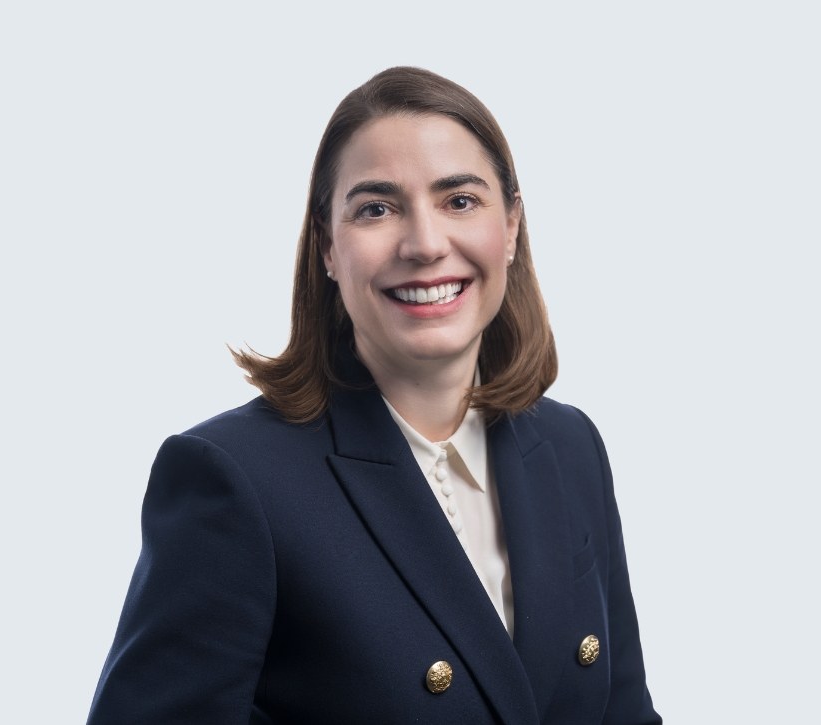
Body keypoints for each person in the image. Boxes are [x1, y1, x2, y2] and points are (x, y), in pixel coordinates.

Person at [87, 66, 661, 724]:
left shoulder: (570, 446)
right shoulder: (235, 478)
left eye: (460, 200)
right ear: (328, 247)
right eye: (376, 209)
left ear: (510, 225)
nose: (425, 244)